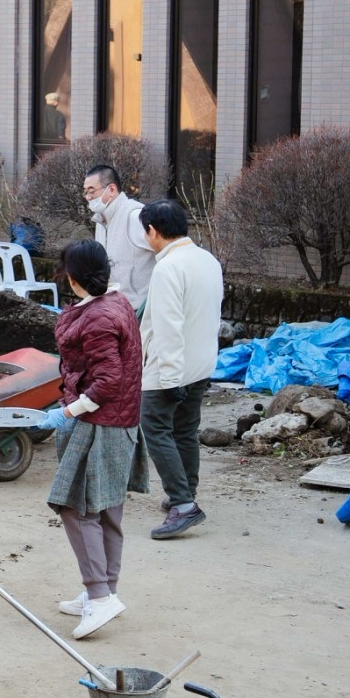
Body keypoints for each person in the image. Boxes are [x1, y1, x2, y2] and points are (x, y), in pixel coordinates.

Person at [49, 240, 148, 639]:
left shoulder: (98, 317)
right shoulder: (115, 302)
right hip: (119, 420)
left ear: (73, 277)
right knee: (107, 508)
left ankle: (101, 597)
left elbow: (108, 380)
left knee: (75, 505)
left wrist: (68, 412)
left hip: (103, 423)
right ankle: (101, 591)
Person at [139, 198, 224, 539]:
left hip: (170, 366)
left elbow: (167, 326)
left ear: (153, 231)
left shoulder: (167, 268)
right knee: (185, 429)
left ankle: (183, 504)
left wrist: (170, 376)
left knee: (155, 428)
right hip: (201, 362)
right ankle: (185, 491)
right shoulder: (207, 260)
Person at [85, 165, 156, 311]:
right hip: (116, 308)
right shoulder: (101, 218)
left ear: (111, 189)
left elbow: (167, 253)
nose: (88, 197)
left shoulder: (135, 215)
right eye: (85, 192)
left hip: (141, 309)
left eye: (92, 191)